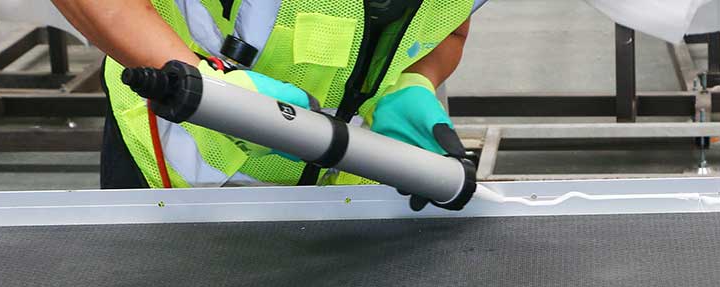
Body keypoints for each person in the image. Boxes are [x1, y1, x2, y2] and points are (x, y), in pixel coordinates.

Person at [52, 0, 478, 190]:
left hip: (352, 189)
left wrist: (416, 80)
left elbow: (449, 25)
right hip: (182, 179)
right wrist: (210, 91)